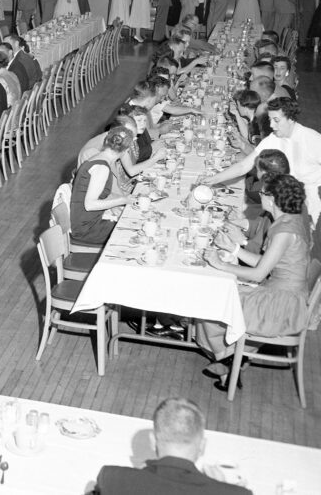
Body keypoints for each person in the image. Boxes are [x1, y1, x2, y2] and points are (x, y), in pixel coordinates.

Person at [197, 174, 312, 390]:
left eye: (262, 192)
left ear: (272, 199)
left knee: (212, 302)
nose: (259, 195)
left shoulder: (285, 230)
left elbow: (258, 274)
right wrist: (234, 249)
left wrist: (221, 265)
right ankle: (230, 363)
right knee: (219, 295)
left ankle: (228, 363)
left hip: (281, 305)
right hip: (280, 292)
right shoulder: (288, 220)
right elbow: (266, 262)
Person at [94, 397, 251, 495]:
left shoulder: (112, 478)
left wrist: (140, 474)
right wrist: (221, 487)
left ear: (152, 441)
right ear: (202, 446)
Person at [205, 97, 321, 222]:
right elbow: (244, 165)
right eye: (270, 120)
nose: (271, 125)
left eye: (276, 120)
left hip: (307, 202)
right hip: (280, 199)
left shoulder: (312, 139)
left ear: (291, 119)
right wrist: (214, 179)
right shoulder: (274, 138)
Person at [70, 126, 134, 246]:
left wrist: (117, 203)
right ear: (126, 151)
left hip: (88, 222)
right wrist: (122, 200)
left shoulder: (98, 159)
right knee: (133, 231)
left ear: (105, 141)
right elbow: (90, 205)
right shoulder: (102, 168)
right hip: (87, 229)